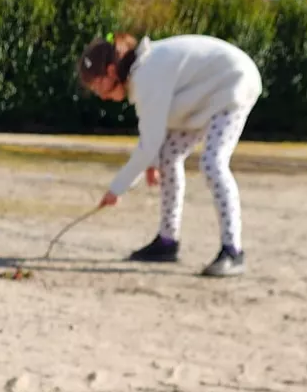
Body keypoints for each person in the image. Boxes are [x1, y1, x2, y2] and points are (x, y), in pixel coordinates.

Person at [78, 32, 263, 278]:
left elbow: (148, 142)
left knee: (213, 163)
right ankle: (167, 243)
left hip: (233, 85)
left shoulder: (145, 76)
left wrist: (116, 189)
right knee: (167, 156)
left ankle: (233, 251)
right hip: (202, 100)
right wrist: (154, 161)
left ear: (111, 71)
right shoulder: (143, 74)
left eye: (97, 85)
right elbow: (157, 132)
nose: (100, 96)